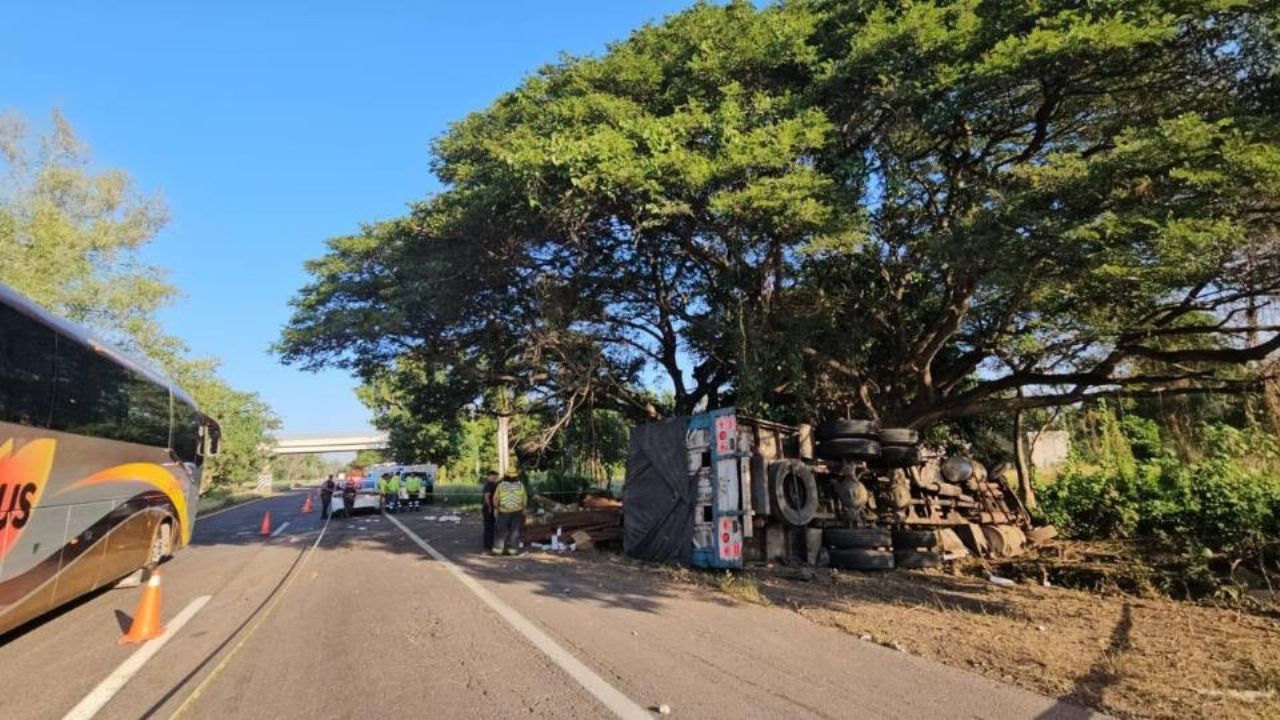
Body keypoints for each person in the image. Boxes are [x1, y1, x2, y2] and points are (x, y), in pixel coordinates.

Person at [491, 473, 528, 556]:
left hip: (504, 511)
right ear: (516, 476)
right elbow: (524, 499)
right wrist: (524, 509)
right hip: (517, 511)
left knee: (501, 531)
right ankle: (513, 551)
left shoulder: (501, 485)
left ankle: (498, 551)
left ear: (506, 476)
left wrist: (496, 508)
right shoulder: (520, 485)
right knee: (515, 531)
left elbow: (495, 498)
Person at [481, 470, 499, 550]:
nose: (496, 478)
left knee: (490, 526)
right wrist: (490, 507)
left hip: (489, 507)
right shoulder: (489, 484)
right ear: (490, 476)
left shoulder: (492, 484)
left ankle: (489, 544)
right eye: (494, 476)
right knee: (489, 526)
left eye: (496, 477)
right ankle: (488, 545)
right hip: (488, 508)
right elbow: (487, 496)